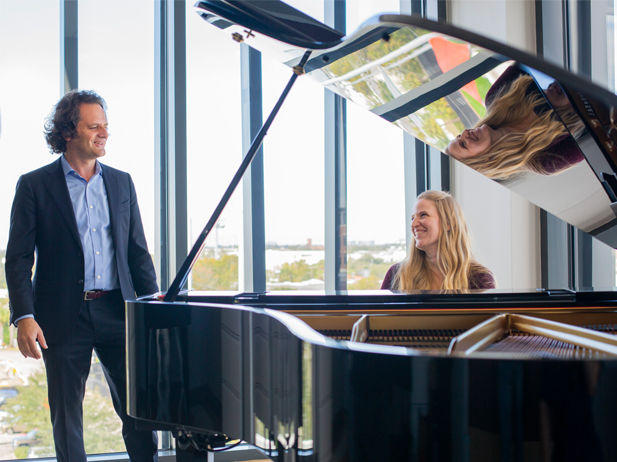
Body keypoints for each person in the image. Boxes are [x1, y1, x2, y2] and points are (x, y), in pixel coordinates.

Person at [5, 90, 159, 462]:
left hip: (117, 312)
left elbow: (137, 252)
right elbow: (18, 258)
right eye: (94, 126)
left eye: (105, 126)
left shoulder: (122, 183)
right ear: (68, 132)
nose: (103, 133)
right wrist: (24, 317)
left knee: (139, 411)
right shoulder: (35, 185)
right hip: (61, 317)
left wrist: (155, 307)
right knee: (67, 417)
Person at [445, 66, 585, 180]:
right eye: (464, 144)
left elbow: (530, 57)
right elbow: (597, 137)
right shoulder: (545, 162)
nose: (464, 133)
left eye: (459, 136)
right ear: (484, 160)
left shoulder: (495, 97)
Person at [381, 190, 495, 291]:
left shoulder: (479, 278)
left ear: (448, 223)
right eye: (412, 218)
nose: (414, 224)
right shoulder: (396, 274)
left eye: (423, 215)